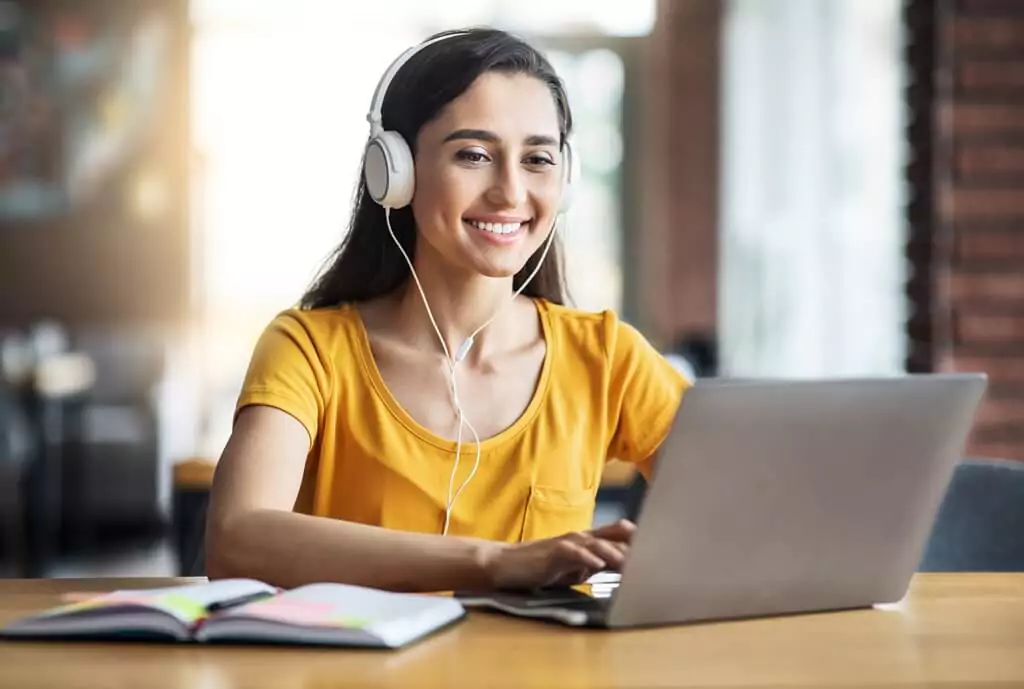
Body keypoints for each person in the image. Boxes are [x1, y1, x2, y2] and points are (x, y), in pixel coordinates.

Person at [205, 27, 689, 593]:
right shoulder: (310, 349)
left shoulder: (608, 358)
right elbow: (236, 539)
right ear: (396, 172)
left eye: (537, 158)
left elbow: (751, 513)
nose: (510, 192)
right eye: (474, 155)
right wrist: (493, 562)